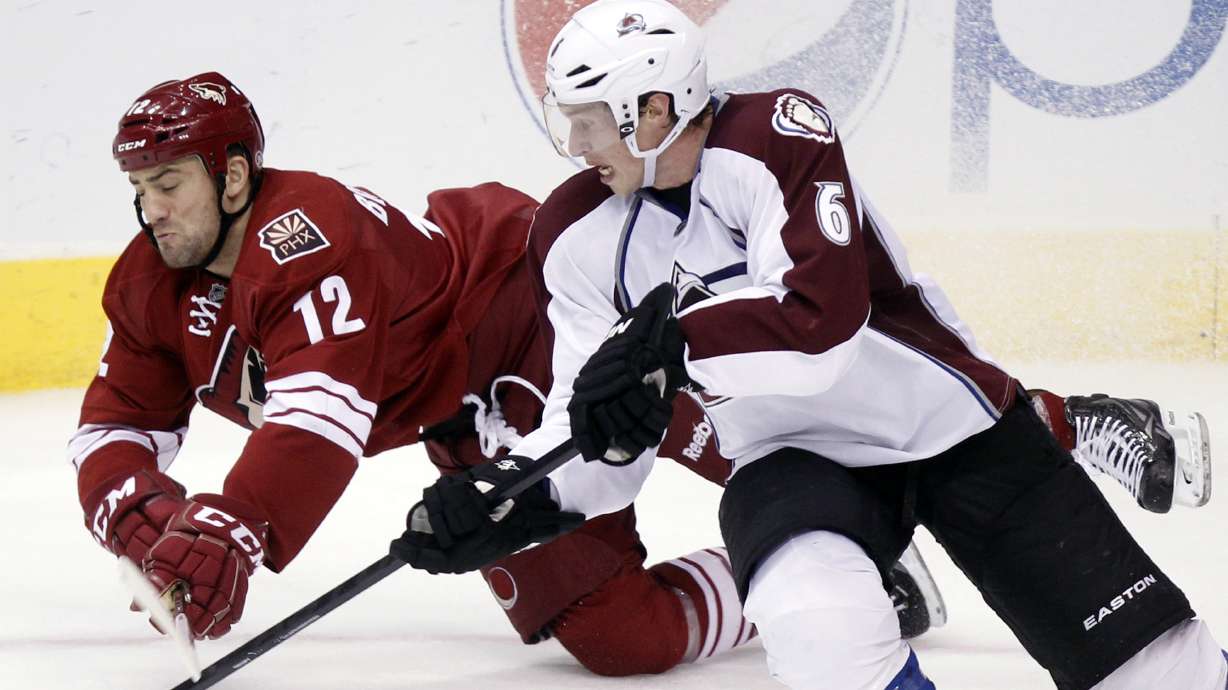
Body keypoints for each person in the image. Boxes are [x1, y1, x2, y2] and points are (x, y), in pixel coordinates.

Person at [394, 2, 1225, 689]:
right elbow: (602, 447)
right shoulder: (572, 235)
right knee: (818, 633)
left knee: (1161, 674)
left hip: (945, 428)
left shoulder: (779, 134)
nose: (573, 148)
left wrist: (675, 343)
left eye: (586, 123)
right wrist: (505, 505)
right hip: (790, 461)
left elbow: (821, 326)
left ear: (653, 111)